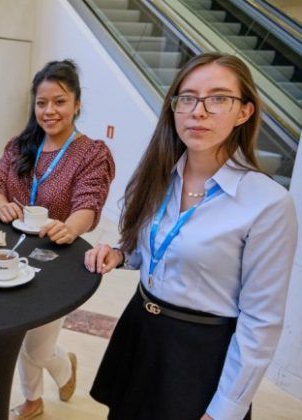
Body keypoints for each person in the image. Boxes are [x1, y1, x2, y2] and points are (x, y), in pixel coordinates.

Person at [85, 52, 297, 420]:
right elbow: (153, 247)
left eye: (218, 98)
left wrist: (225, 410)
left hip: (198, 354)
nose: (199, 111)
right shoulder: (160, 174)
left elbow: (260, 322)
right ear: (174, 108)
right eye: (188, 98)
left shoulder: (267, 204)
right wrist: (122, 254)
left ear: (244, 112)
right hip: (141, 333)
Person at [0, 59, 115, 419]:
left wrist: (70, 228)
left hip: (55, 258)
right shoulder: (19, 145)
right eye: (42, 102)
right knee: (19, 336)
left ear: (76, 103)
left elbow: (88, 205)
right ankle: (33, 400)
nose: (49, 110)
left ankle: (65, 368)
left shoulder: (91, 153)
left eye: (59, 101)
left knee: (38, 348)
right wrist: (1, 206)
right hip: (9, 255)